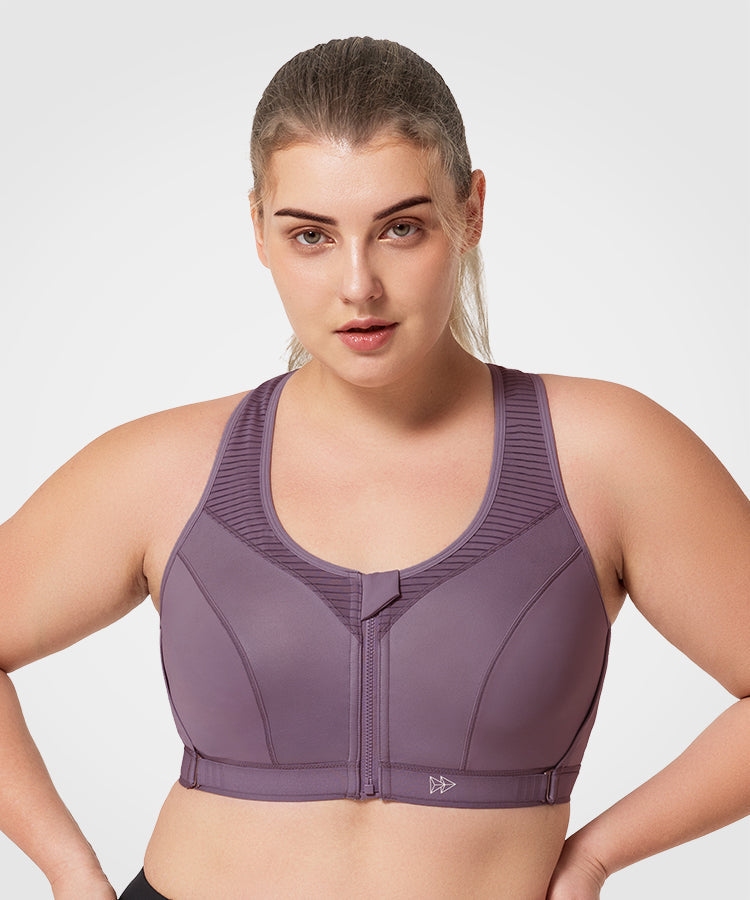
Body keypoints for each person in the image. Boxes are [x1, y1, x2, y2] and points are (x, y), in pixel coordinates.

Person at [0, 35, 748, 900]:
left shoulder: (607, 453)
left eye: (400, 228)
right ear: (258, 231)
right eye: (311, 235)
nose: (359, 285)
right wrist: (69, 872)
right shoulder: (162, 469)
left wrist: (598, 855)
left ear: (470, 211)